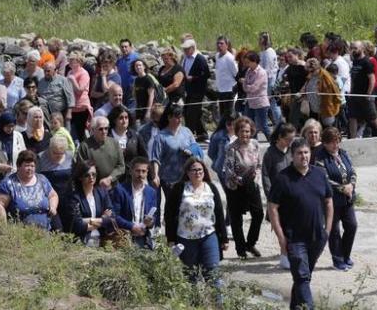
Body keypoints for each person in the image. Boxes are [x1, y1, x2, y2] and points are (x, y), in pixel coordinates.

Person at [268, 139, 333, 310]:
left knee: (303, 276)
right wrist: (281, 238)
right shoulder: (283, 178)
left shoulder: (319, 174)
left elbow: (328, 201)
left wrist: (328, 229)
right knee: (302, 277)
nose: (303, 156)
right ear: (292, 156)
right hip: (294, 239)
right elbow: (272, 208)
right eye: (299, 153)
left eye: (306, 152)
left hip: (317, 237)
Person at [164, 157, 228, 291]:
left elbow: (219, 213)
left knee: (213, 273)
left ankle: (219, 304)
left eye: (200, 170)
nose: (197, 173)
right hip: (185, 238)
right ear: (187, 172)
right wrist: (170, 239)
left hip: (208, 235)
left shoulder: (210, 188)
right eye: (194, 170)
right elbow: (169, 215)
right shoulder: (180, 188)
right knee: (190, 276)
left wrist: (224, 238)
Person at [313, 127, 358, 271]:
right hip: (331, 200)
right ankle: (338, 260)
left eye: (337, 141)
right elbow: (323, 178)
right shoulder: (320, 157)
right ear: (325, 143)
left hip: (348, 199)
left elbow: (353, 171)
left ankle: (345, 255)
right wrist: (342, 188)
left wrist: (351, 185)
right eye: (332, 142)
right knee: (334, 231)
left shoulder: (343, 153)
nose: (335, 145)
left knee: (352, 226)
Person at [223, 116, 264, 260]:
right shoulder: (231, 148)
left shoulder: (255, 144)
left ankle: (250, 243)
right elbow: (228, 169)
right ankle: (240, 249)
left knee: (258, 214)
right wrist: (237, 179)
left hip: (251, 183)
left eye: (247, 131)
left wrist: (256, 177)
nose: (245, 134)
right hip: (235, 186)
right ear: (237, 132)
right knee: (236, 218)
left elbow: (259, 164)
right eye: (241, 131)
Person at [0, 150, 59, 230]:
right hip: (20, 234)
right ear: (18, 166)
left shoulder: (42, 180)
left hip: (44, 232)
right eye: (27, 165)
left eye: (32, 166)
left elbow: (53, 195)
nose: (30, 169)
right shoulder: (8, 184)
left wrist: (53, 206)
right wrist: (3, 229)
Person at [262, 123, 296, 269]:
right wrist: (271, 197)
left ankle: (290, 253)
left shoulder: (292, 151)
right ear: (280, 138)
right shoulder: (270, 154)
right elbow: (265, 176)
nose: (291, 142)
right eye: (288, 139)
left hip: (293, 196)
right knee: (282, 228)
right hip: (277, 199)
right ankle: (284, 255)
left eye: (293, 139)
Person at [110, 156, 159, 248]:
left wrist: (150, 222)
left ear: (147, 172)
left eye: (143, 171)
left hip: (143, 238)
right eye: (137, 171)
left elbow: (154, 216)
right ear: (131, 171)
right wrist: (132, 226)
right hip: (124, 236)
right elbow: (115, 216)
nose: (140, 174)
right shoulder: (120, 190)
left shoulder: (151, 192)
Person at [149, 105, 195, 200]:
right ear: (169, 117)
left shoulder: (187, 132)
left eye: (181, 117)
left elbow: (196, 148)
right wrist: (155, 175)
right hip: (169, 179)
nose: (180, 120)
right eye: (177, 117)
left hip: (187, 177)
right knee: (173, 207)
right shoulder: (161, 137)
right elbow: (155, 158)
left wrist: (191, 151)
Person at [64, 160, 114, 246]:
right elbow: (77, 224)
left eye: (93, 174)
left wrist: (88, 221)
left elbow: (112, 218)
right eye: (87, 175)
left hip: (102, 241)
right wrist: (102, 219)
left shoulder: (102, 192)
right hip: (81, 243)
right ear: (80, 177)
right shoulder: (74, 197)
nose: (91, 177)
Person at [75, 116, 126, 191]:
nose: (104, 131)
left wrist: (110, 179)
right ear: (93, 130)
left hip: (114, 186)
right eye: (100, 129)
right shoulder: (85, 146)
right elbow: (82, 169)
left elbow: (121, 166)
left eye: (106, 128)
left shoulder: (114, 143)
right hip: (95, 189)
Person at [348, 41, 377, 139]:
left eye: (355, 48)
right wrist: (351, 91)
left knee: (373, 117)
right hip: (355, 95)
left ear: (362, 48)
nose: (353, 50)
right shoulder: (355, 61)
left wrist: (368, 94)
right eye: (352, 48)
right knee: (352, 117)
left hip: (365, 95)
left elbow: (372, 79)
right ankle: (353, 138)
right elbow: (353, 77)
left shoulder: (367, 62)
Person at [107, 105, 148, 183]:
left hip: (132, 178)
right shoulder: (107, 136)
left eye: (126, 117)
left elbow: (144, 157)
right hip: (113, 179)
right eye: (121, 118)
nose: (124, 120)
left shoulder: (135, 135)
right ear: (114, 120)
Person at [181, 39, 210, 141]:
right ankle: (202, 133)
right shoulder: (185, 59)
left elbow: (206, 74)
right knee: (191, 112)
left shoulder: (200, 59)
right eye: (184, 49)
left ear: (193, 48)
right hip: (189, 90)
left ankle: (188, 135)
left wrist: (193, 78)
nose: (185, 51)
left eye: (187, 49)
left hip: (198, 90)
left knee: (191, 112)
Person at [299, 58, 341, 128]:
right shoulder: (311, 76)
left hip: (326, 108)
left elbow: (333, 92)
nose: (310, 73)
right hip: (314, 108)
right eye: (309, 71)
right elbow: (306, 87)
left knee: (328, 128)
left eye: (312, 71)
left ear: (317, 68)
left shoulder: (325, 77)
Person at [241, 51, 272, 140]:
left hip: (260, 103)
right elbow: (244, 86)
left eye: (248, 62)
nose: (247, 64)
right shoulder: (248, 71)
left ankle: (272, 142)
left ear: (254, 61)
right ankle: (253, 142)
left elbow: (255, 87)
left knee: (263, 125)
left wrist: (247, 86)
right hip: (250, 102)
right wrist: (247, 86)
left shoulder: (262, 72)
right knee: (250, 124)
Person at [38, 62, 75, 129]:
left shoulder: (63, 80)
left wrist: (69, 112)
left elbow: (70, 96)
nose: (46, 73)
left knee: (63, 133)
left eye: (48, 71)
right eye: (45, 71)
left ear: (55, 71)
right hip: (46, 113)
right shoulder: (41, 82)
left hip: (61, 112)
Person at [66, 52, 93, 143]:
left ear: (79, 62)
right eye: (69, 59)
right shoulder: (70, 72)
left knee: (81, 133)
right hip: (72, 107)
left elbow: (80, 90)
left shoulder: (84, 74)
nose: (69, 61)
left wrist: (73, 80)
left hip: (82, 107)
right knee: (71, 133)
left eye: (72, 60)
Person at [214, 36, 238, 120]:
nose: (219, 45)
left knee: (229, 115)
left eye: (221, 43)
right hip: (220, 90)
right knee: (222, 114)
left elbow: (235, 73)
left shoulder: (229, 58)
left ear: (227, 45)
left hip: (229, 90)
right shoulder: (217, 56)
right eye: (218, 43)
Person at [117, 39, 139, 108]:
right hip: (122, 89)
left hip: (133, 89)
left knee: (131, 110)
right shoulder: (120, 60)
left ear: (130, 47)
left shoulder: (136, 58)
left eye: (126, 46)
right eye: (122, 47)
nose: (124, 49)